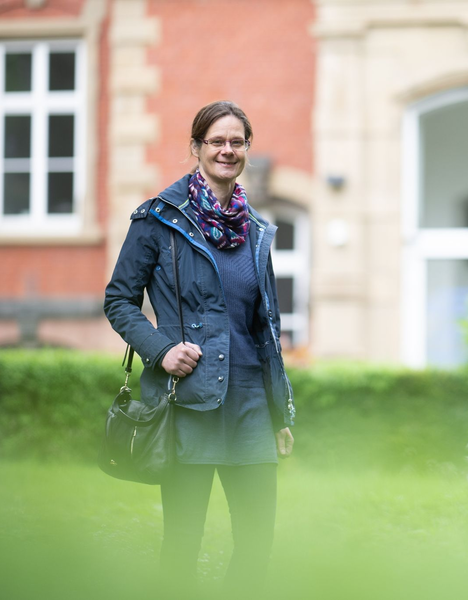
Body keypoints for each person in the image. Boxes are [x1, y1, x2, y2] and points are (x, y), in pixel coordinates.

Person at [104, 100, 295, 596]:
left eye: (237, 142)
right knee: (183, 543)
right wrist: (161, 349)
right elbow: (119, 299)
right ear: (196, 147)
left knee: (257, 542)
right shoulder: (158, 220)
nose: (227, 150)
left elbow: (265, 328)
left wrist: (279, 413)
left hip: (251, 408)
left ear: (247, 149)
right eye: (216, 141)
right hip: (187, 404)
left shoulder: (257, 230)